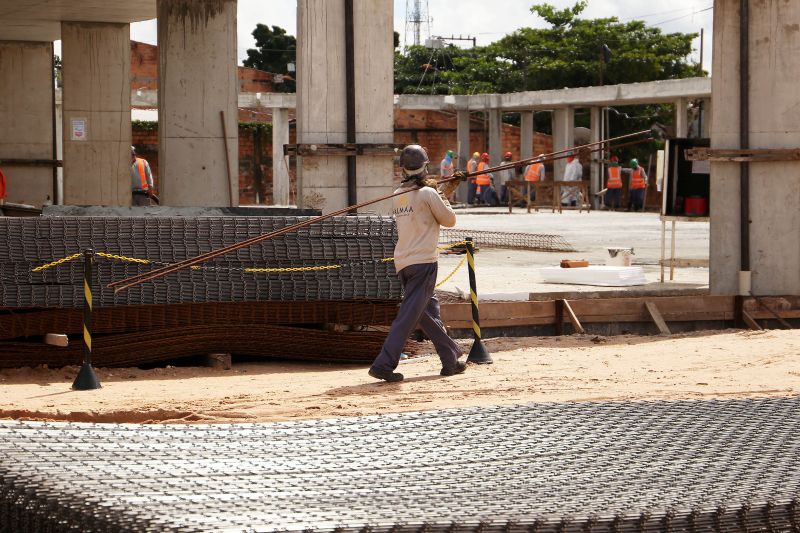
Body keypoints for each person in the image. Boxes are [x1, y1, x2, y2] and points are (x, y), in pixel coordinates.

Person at [369, 144, 467, 382]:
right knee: (409, 316)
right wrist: (444, 191)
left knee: (426, 312)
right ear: (425, 166)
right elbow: (449, 219)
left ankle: (450, 358)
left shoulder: (397, 194)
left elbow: (421, 207)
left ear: (402, 168)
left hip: (403, 262)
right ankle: (384, 363)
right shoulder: (429, 193)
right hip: (424, 262)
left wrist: (443, 188)